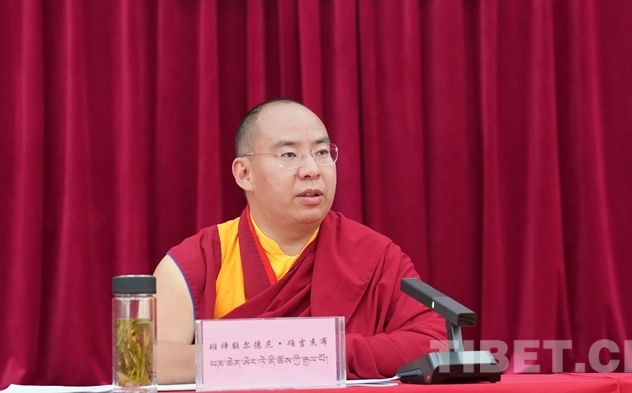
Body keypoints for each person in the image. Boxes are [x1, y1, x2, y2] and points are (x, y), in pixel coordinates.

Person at [153, 98, 447, 383]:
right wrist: (288, 354)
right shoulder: (199, 261)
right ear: (245, 174)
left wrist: (322, 352)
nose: (312, 170)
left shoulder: (376, 256)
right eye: (288, 155)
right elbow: (149, 360)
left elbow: (436, 343)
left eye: (322, 152)